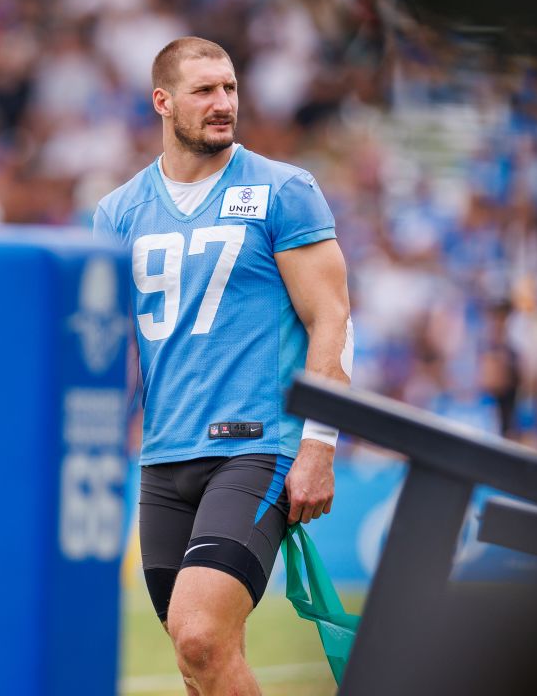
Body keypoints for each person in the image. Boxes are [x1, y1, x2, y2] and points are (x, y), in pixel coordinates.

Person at [93, 37, 353, 696]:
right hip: (162, 459)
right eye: (205, 90)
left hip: (256, 448)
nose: (223, 103)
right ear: (163, 101)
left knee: (200, 633)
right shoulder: (117, 213)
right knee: (200, 660)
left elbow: (332, 319)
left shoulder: (282, 190)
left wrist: (319, 445)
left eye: (230, 88)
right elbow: (113, 349)